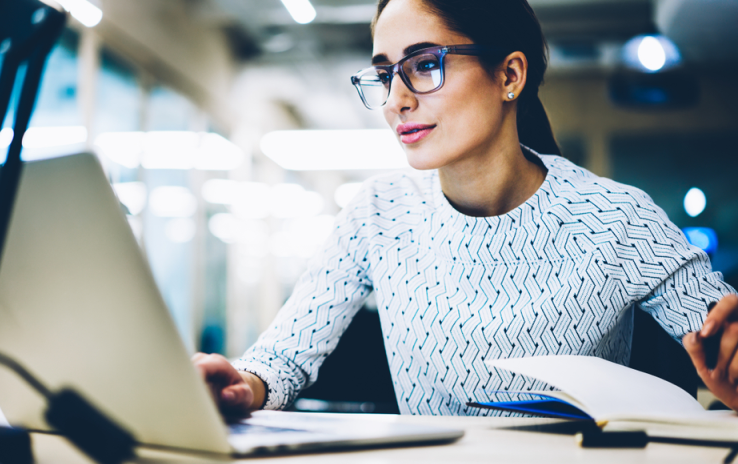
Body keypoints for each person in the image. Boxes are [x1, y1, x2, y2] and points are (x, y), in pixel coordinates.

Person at [192, 0, 738, 415]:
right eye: (385, 73)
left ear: (509, 76)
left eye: (424, 65)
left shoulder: (617, 220)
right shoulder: (379, 214)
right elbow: (282, 359)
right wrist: (244, 384)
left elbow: (725, 343)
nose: (395, 99)